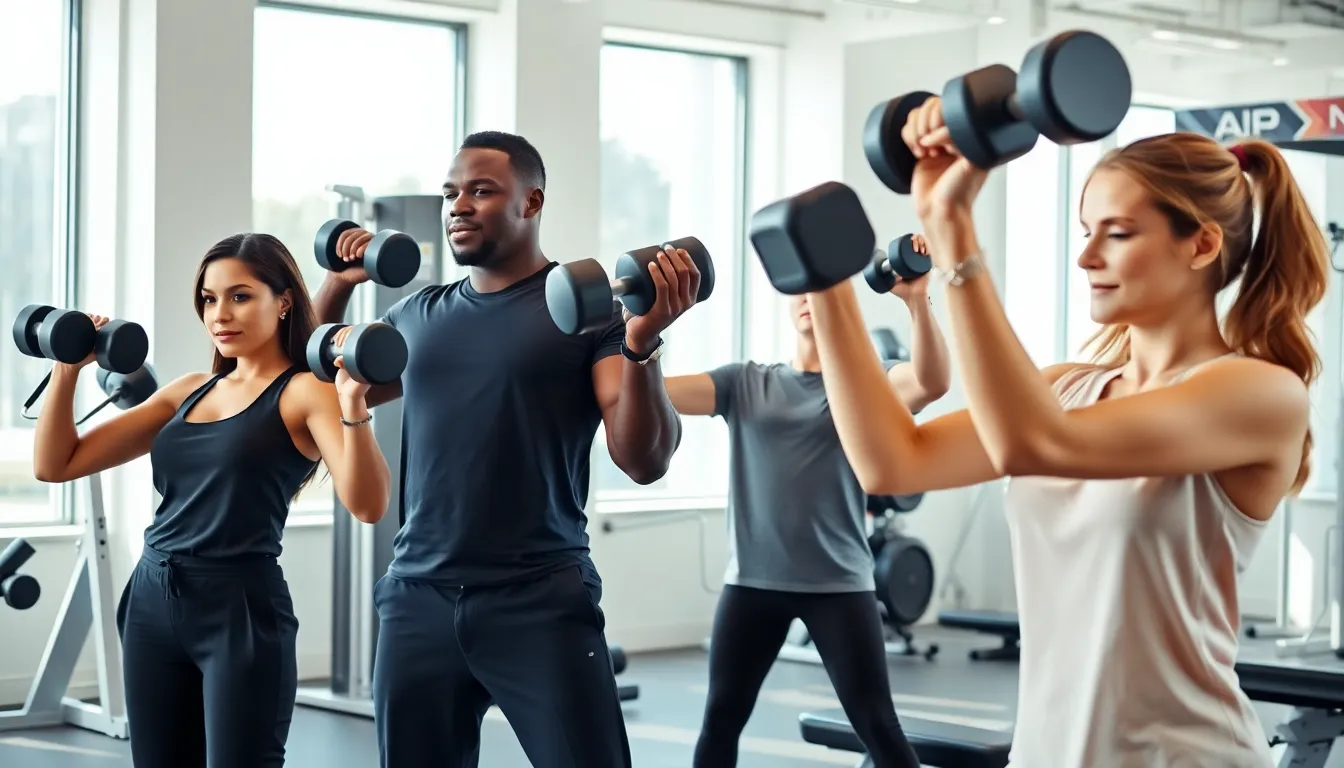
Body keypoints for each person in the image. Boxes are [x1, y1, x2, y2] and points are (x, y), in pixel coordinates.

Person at [803, 98, 1329, 767]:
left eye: (1117, 233)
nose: (1085, 256)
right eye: (1086, 229)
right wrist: (826, 285)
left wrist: (952, 226)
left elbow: (1036, 444)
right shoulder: (1066, 389)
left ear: (1200, 243)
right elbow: (892, 463)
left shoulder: (1257, 393)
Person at [312, 130, 700, 768]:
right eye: (450, 193)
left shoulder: (588, 314)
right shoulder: (416, 315)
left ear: (531, 201)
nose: (458, 205)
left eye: (481, 190)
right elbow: (323, 387)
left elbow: (644, 458)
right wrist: (338, 284)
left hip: (539, 599)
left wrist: (643, 343)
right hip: (417, 601)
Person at [32, 233, 393, 768]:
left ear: (284, 300)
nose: (220, 313)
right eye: (208, 298)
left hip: (240, 608)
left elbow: (368, 505)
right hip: (152, 598)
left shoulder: (304, 392)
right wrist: (67, 369)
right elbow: (55, 464)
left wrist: (353, 403)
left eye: (240, 296)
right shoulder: (190, 389)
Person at [664, 235, 950, 768]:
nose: (808, 297)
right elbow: (654, 389)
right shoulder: (744, 383)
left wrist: (917, 299)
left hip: (838, 585)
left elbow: (932, 382)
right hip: (752, 582)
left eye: (823, 289)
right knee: (720, 720)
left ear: (842, 303)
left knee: (878, 725)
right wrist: (637, 335)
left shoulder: (868, 387)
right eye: (800, 289)